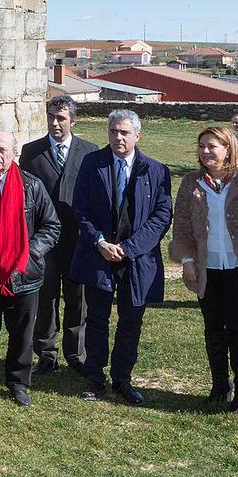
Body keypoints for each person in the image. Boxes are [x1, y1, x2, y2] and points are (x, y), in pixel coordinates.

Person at [69, 109, 172, 405]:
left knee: (131, 319)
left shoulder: (155, 170)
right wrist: (100, 242)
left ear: (137, 135)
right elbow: (81, 209)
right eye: (114, 131)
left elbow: (162, 215)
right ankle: (95, 377)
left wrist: (130, 248)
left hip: (136, 259)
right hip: (98, 254)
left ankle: (122, 378)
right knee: (97, 318)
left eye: (125, 132)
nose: (118, 137)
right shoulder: (92, 163)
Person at [169, 126, 238, 414]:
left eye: (212, 146)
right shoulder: (191, 183)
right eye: (201, 146)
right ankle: (219, 386)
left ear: (229, 149)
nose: (206, 152)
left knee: (236, 329)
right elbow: (182, 224)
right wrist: (187, 262)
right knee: (212, 329)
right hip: (206, 269)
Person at [0, 131, 60, 408]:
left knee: (22, 336)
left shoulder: (31, 186)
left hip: (22, 276)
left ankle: (18, 383)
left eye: (3, 149)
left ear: (14, 153)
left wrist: (28, 255)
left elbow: (52, 225)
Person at [20, 95, 99, 380]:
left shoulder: (89, 152)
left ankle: (75, 354)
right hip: (44, 240)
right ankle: (46, 353)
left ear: (72, 121)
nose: (55, 123)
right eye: (51, 117)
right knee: (46, 297)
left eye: (61, 118)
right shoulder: (32, 152)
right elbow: (25, 195)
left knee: (78, 300)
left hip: (79, 240)